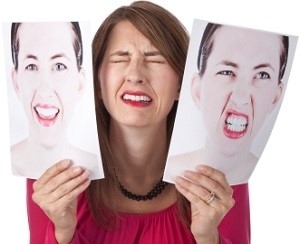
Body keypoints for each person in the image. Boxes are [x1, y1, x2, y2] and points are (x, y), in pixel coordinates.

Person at [27, 2, 250, 243]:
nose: (135, 74)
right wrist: (62, 234)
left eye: (155, 59)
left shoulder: (218, 180)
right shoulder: (53, 177)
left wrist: (208, 238)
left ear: (181, 85)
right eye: (120, 58)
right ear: (96, 83)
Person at [164, 21, 289, 185]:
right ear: (197, 89)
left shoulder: (281, 184)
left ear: (276, 96)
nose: (241, 97)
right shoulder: (168, 175)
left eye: (262, 75)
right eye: (227, 72)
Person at [9, 21, 102, 179]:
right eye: (31, 66)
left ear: (79, 83)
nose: (45, 91)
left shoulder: (98, 169)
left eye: (59, 66)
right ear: (16, 81)